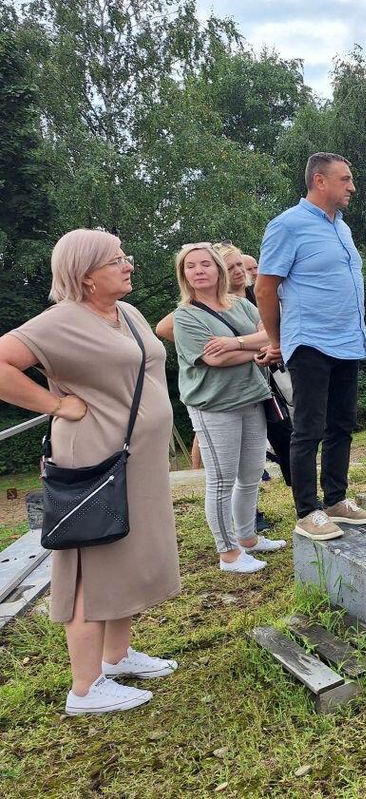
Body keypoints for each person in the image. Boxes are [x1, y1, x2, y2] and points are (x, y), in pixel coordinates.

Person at [0, 228, 180, 715]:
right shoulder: (60, 321)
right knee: (90, 564)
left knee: (125, 552)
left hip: (137, 457)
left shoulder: (127, 312)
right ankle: (85, 687)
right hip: (94, 456)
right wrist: (55, 404)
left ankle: (116, 657)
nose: (129, 265)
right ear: (85, 275)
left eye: (126, 256)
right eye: (116, 260)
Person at [256, 152, 366, 540]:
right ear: (319, 181)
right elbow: (265, 287)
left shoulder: (342, 227)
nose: (352, 187)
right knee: (308, 428)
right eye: (345, 179)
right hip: (310, 341)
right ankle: (307, 511)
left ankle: (336, 500)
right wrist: (276, 341)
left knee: (342, 423)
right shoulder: (287, 226)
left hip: (348, 341)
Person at [172, 243, 286, 573]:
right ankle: (228, 554)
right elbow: (212, 359)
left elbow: (269, 334)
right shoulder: (186, 315)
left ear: (218, 269)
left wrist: (236, 343)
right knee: (221, 480)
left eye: (205, 263)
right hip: (214, 406)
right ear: (184, 275)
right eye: (190, 266)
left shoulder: (239, 304)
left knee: (250, 474)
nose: (198, 270)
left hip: (251, 397)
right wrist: (254, 349)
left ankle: (247, 537)